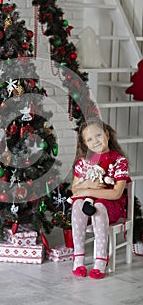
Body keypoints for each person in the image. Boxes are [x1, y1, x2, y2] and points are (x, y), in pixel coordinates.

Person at [71, 118, 131, 279]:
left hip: (111, 206)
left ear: (107, 134)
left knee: (98, 208)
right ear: (85, 144)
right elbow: (74, 190)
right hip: (86, 205)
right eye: (89, 139)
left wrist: (89, 190)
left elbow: (116, 193)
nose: (95, 141)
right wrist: (87, 189)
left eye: (98, 135)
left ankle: (100, 260)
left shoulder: (119, 161)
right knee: (77, 205)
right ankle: (78, 258)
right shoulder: (83, 162)